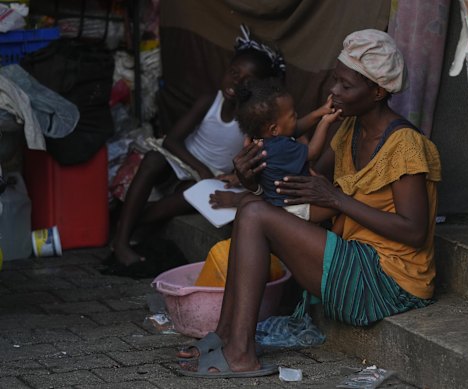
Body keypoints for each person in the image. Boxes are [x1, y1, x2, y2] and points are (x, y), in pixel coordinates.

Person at [177, 29, 442, 378]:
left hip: (390, 282)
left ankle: (240, 354)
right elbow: (303, 185)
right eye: (335, 80)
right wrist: (253, 181)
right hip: (355, 258)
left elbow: (414, 230)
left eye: (346, 86)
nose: (334, 91)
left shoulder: (406, 145)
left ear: (377, 91)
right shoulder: (350, 130)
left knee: (255, 213)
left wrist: (338, 199)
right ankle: (227, 336)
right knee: (251, 209)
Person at [110, 25, 287, 266]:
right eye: (234, 73)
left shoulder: (252, 121)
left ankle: (128, 221)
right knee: (153, 159)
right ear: (226, 69)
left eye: (248, 81)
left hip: (215, 176)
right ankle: (121, 242)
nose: (237, 82)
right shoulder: (209, 101)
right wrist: (200, 169)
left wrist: (223, 177)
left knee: (189, 196)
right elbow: (172, 140)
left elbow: (253, 159)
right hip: (186, 161)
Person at [209, 77, 342, 222]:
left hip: (274, 201)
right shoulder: (281, 147)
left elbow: (296, 127)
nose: (296, 116)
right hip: (295, 207)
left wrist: (320, 112)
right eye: (292, 115)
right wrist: (325, 122)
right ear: (274, 129)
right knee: (341, 205)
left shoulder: (262, 141)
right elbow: (313, 151)